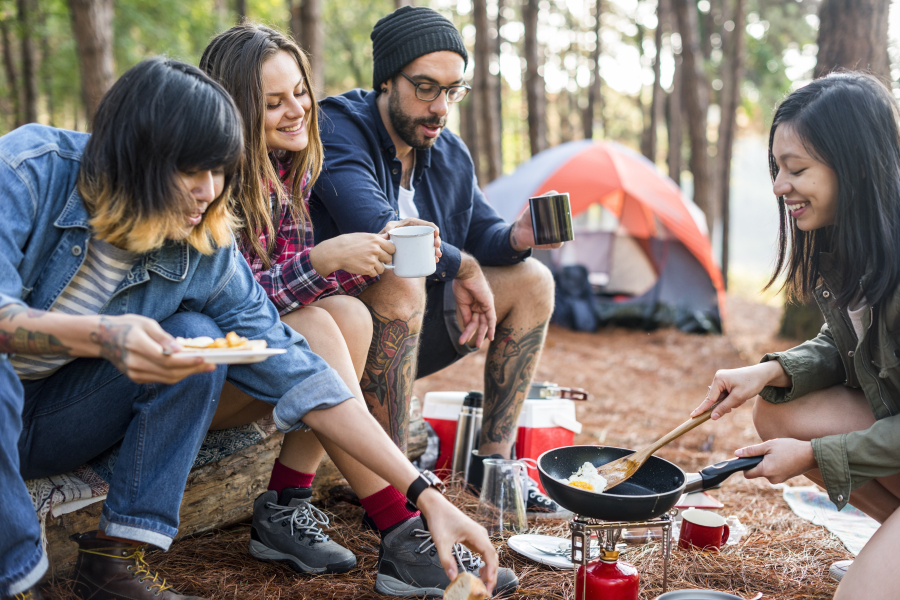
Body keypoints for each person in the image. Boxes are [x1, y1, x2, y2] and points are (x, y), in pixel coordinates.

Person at [0, 57, 500, 600]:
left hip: (58, 418)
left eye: (220, 172)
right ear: (132, 153)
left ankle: (115, 564)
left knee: (196, 338)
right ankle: (19, 581)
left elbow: (300, 371)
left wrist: (424, 495)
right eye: (191, 171)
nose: (207, 191)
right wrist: (104, 337)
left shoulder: (201, 238)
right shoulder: (29, 171)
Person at [198, 24, 520, 598]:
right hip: (196, 377)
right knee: (325, 319)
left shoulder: (283, 167)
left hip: (252, 368)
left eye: (299, 91)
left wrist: (358, 260)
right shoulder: (209, 181)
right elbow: (230, 309)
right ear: (235, 110)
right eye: (273, 103)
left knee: (346, 314)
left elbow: (298, 287)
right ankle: (401, 528)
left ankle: (283, 507)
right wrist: (323, 262)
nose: (298, 111)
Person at [308, 5, 564, 515]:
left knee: (533, 279)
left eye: (452, 91)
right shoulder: (337, 128)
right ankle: (395, 483)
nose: (441, 108)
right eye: (425, 88)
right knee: (400, 276)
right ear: (386, 81)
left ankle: (493, 465)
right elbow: (390, 235)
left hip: (411, 335)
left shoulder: (449, 152)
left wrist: (515, 236)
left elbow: (480, 232)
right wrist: (464, 268)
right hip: (339, 339)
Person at [690, 72, 900, 600]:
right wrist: (771, 370)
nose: (780, 186)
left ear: (853, 167)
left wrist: (813, 457)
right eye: (777, 168)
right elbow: (854, 344)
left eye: (796, 169)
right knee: (780, 407)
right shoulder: (859, 248)